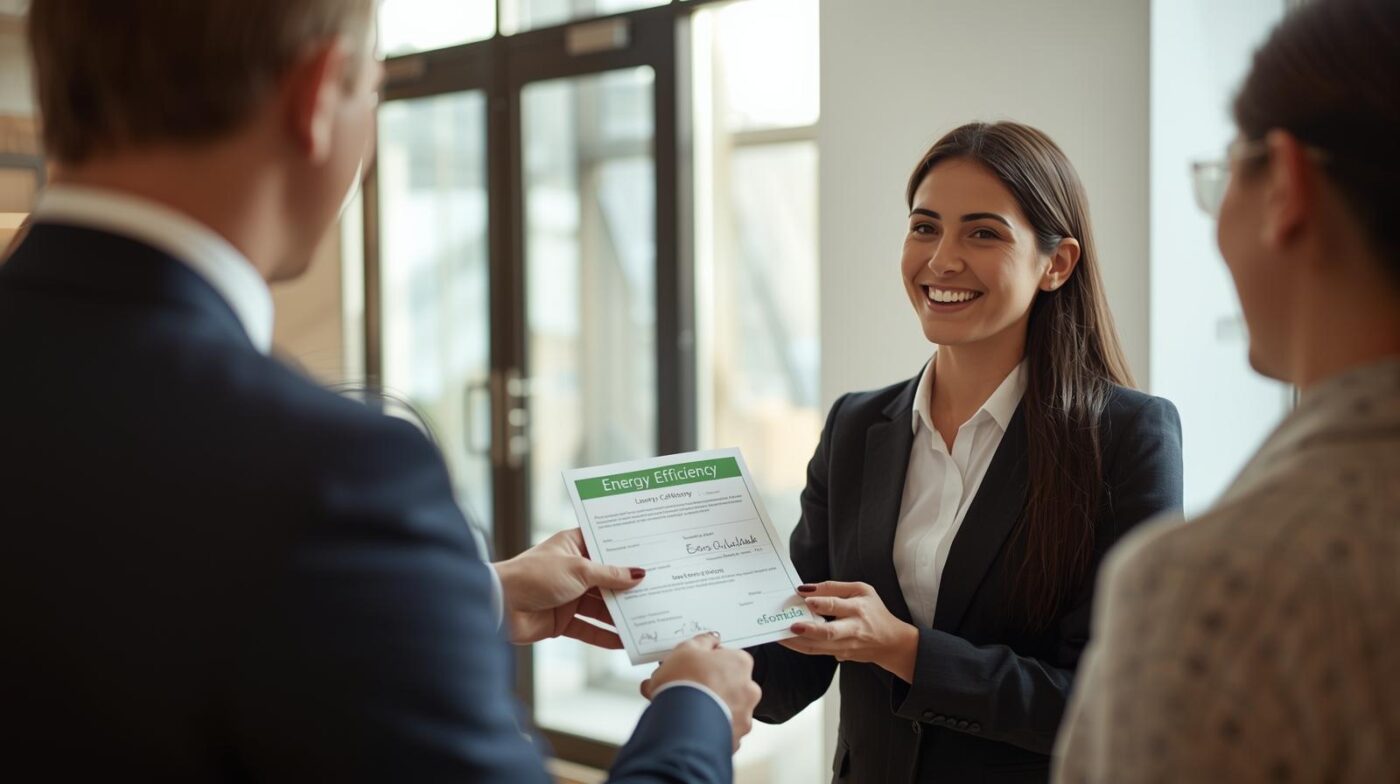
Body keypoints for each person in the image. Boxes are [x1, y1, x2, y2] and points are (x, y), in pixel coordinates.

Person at [0, 1, 758, 781]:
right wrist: (694, 712)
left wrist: (472, 594)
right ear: (319, 95)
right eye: (375, 90)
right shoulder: (336, 475)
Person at [749, 121, 1184, 782]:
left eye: (983, 233)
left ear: (1056, 264)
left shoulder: (1126, 436)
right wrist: (675, 620)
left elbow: (1118, 704)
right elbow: (795, 667)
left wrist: (906, 651)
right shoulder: (855, 426)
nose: (942, 259)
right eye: (925, 227)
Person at [1054, 0, 1400, 780]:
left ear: (1287, 185)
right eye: (922, 223)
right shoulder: (859, 423)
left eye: (1221, 176)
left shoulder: (1216, 592)